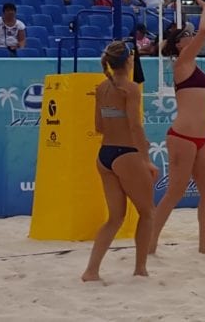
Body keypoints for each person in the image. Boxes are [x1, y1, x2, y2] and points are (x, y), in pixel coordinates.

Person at [81, 40, 158, 282]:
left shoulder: (102, 87)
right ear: (128, 60)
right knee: (147, 213)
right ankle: (140, 269)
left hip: (105, 155)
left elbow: (99, 126)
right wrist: (146, 159)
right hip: (127, 154)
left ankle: (91, 270)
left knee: (115, 218)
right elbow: (135, 126)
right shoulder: (130, 88)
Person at [150, 0, 205, 255]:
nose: (192, 36)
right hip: (182, 137)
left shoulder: (191, 66)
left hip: (199, 138)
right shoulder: (182, 61)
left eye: (190, 34)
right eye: (187, 35)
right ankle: (149, 244)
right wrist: (204, 6)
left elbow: (192, 94)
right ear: (180, 44)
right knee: (175, 192)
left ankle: (204, 247)